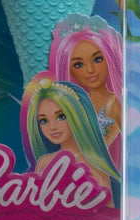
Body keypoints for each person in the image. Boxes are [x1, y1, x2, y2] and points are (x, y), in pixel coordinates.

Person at [21, 75, 121, 207]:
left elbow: (106, 213)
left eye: (61, 116)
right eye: (43, 121)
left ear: (77, 115)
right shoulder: (45, 162)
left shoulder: (93, 164)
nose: (52, 127)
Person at [49, 14, 123, 169]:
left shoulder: (115, 104)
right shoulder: (76, 104)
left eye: (97, 60)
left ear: (109, 59)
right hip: (73, 173)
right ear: (69, 69)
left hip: (101, 174)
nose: (90, 70)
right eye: (78, 65)